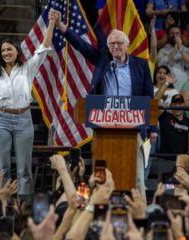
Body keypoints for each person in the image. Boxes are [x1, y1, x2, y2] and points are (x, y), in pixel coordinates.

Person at [50, 9, 154, 195]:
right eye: (112, 43)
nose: (116, 46)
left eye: (119, 43)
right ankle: (98, 206)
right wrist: (60, 26)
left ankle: (140, 213)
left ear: (127, 45)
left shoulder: (141, 65)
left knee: (137, 175)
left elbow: (149, 97)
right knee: (101, 175)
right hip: (104, 128)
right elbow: (81, 45)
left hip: (133, 128)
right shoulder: (102, 61)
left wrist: (153, 129)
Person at [0, 15, 56, 201]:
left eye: (9, 49)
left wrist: (52, 23)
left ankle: (23, 206)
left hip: (24, 119)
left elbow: (44, 48)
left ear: (17, 51)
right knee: (3, 167)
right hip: (0, 120)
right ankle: (2, 202)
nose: (6, 52)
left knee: (24, 168)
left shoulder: (27, 69)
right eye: (3, 50)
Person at [155, 94, 189, 181]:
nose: (178, 106)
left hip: (181, 161)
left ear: (184, 105)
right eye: (175, 103)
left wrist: (188, 160)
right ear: (171, 105)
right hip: (165, 160)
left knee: (181, 190)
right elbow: (154, 101)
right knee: (164, 190)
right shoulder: (165, 117)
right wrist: (166, 83)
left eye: (180, 103)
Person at [157, 25, 189, 91]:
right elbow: (159, 64)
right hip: (167, 86)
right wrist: (174, 51)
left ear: (181, 35)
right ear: (168, 35)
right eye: (172, 33)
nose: (175, 35)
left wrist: (181, 48)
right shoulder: (162, 51)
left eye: (177, 33)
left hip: (184, 86)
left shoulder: (187, 50)